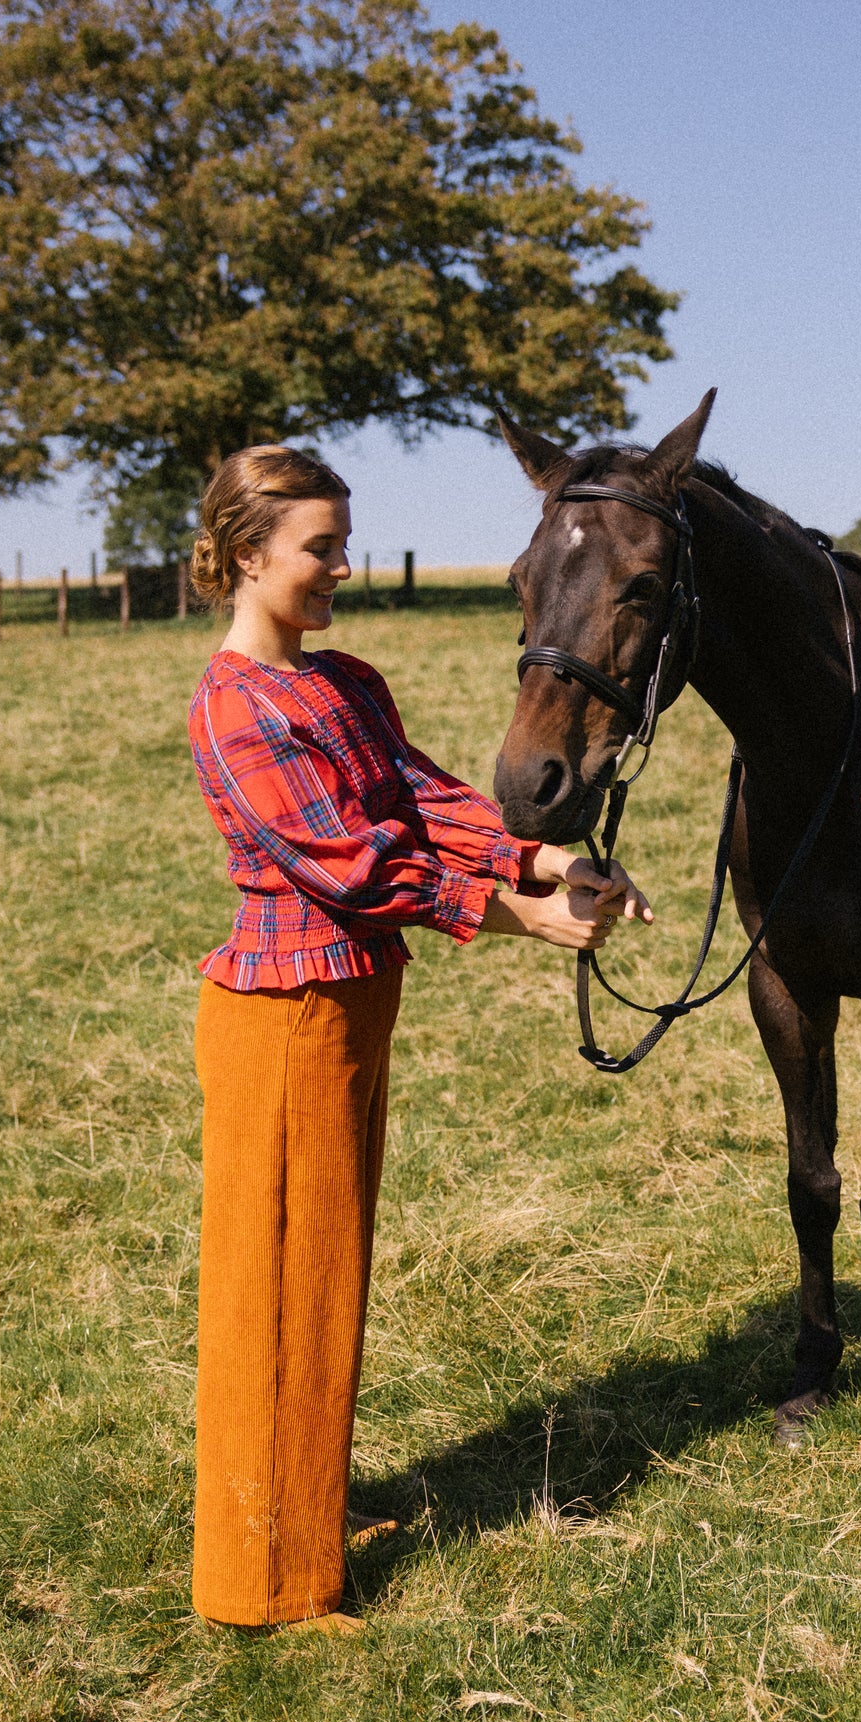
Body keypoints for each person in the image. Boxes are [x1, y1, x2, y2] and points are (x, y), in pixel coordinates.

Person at [185, 444, 649, 1634]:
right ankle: (265, 1583)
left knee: (327, 1269)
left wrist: (544, 856)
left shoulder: (341, 679)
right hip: (283, 1016)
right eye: (318, 548)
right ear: (249, 555)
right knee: (275, 1284)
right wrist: (510, 909)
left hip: (349, 1005)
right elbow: (345, 854)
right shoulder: (234, 704)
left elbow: (424, 796)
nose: (340, 566)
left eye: (343, 542)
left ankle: (307, 1509)